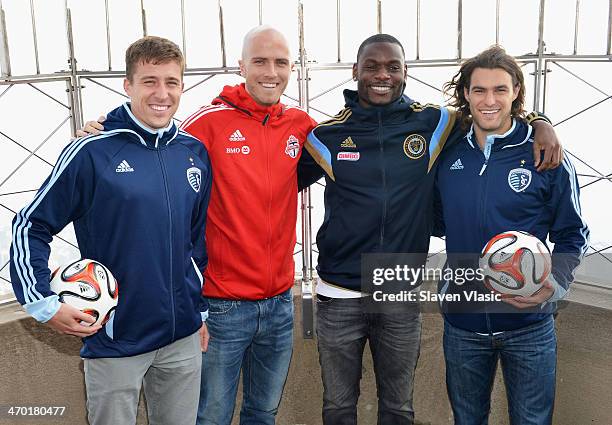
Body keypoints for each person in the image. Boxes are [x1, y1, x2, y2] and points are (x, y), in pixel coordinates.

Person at [297, 34, 562, 425]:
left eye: (392, 67)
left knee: (399, 407)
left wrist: (542, 122)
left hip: (398, 285)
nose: (381, 75)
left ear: (406, 73)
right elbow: (274, 184)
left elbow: (491, 109)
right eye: (371, 66)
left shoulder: (435, 122)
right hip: (338, 291)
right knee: (337, 407)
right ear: (355, 72)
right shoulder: (325, 136)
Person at [78, 26, 317, 425]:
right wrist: (102, 132)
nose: (270, 71)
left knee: (263, 412)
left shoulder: (299, 124)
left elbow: (352, 141)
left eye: (280, 62)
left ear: (292, 68)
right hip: (221, 306)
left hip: (279, 304)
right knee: (210, 416)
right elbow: (152, 145)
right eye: (259, 61)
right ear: (241, 66)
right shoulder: (206, 124)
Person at [9, 36, 212, 425]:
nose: (162, 93)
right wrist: (43, 303)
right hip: (116, 337)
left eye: (171, 82)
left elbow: (195, 240)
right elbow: (29, 225)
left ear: (182, 86)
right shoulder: (92, 151)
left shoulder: (193, 152)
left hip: (183, 336)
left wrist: (198, 310)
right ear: (128, 85)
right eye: (149, 81)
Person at [434, 45, 589, 424]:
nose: (489, 101)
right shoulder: (446, 155)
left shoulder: (546, 156)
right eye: (479, 90)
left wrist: (554, 282)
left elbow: (573, 232)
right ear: (465, 95)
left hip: (530, 327)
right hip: (463, 323)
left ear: (516, 91)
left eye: (500, 90)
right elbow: (439, 222)